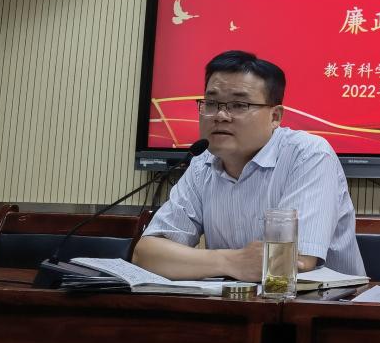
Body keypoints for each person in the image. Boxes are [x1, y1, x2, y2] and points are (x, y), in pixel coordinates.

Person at [134, 50, 364, 280]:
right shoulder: (202, 163)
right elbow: (145, 255)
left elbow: (292, 262)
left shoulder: (308, 155)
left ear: (275, 116)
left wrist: (217, 262)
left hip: (324, 301)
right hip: (231, 300)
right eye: (211, 103)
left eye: (239, 105)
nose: (220, 115)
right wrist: (230, 262)